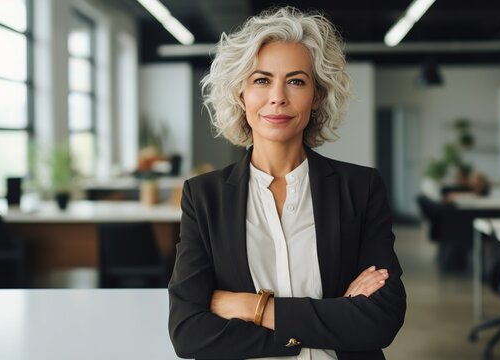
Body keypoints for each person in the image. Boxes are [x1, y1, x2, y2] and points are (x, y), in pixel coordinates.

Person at [168, 7, 406, 360]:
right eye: (261, 80)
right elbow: (189, 334)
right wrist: (328, 321)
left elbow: (380, 321)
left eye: (296, 81)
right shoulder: (204, 197)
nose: (278, 96)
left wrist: (254, 308)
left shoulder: (360, 188)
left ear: (317, 96)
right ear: (241, 94)